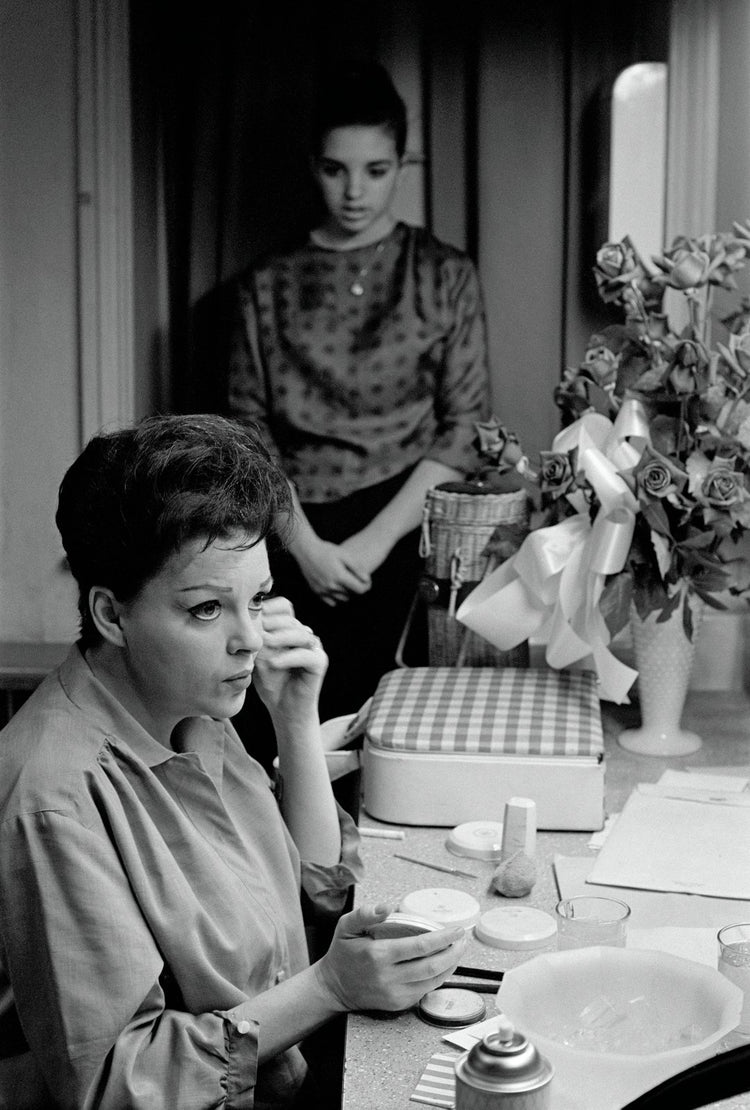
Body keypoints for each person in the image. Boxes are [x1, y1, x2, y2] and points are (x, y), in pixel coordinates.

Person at [0, 414, 467, 1110]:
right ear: (110, 614)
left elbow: (308, 887)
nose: (249, 639)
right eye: (207, 609)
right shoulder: (56, 797)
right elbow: (116, 1083)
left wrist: (295, 717)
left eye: (258, 597)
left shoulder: (185, 702)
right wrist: (329, 986)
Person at [228, 59, 491, 725]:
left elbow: (463, 428)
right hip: (289, 525)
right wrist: (306, 548)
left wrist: (373, 545)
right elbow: (247, 432)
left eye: (376, 170)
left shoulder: (444, 274)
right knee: (281, 722)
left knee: (392, 729)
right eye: (334, 168)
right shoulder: (265, 284)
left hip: (404, 532)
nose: (354, 191)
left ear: (403, 164)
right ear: (311, 164)